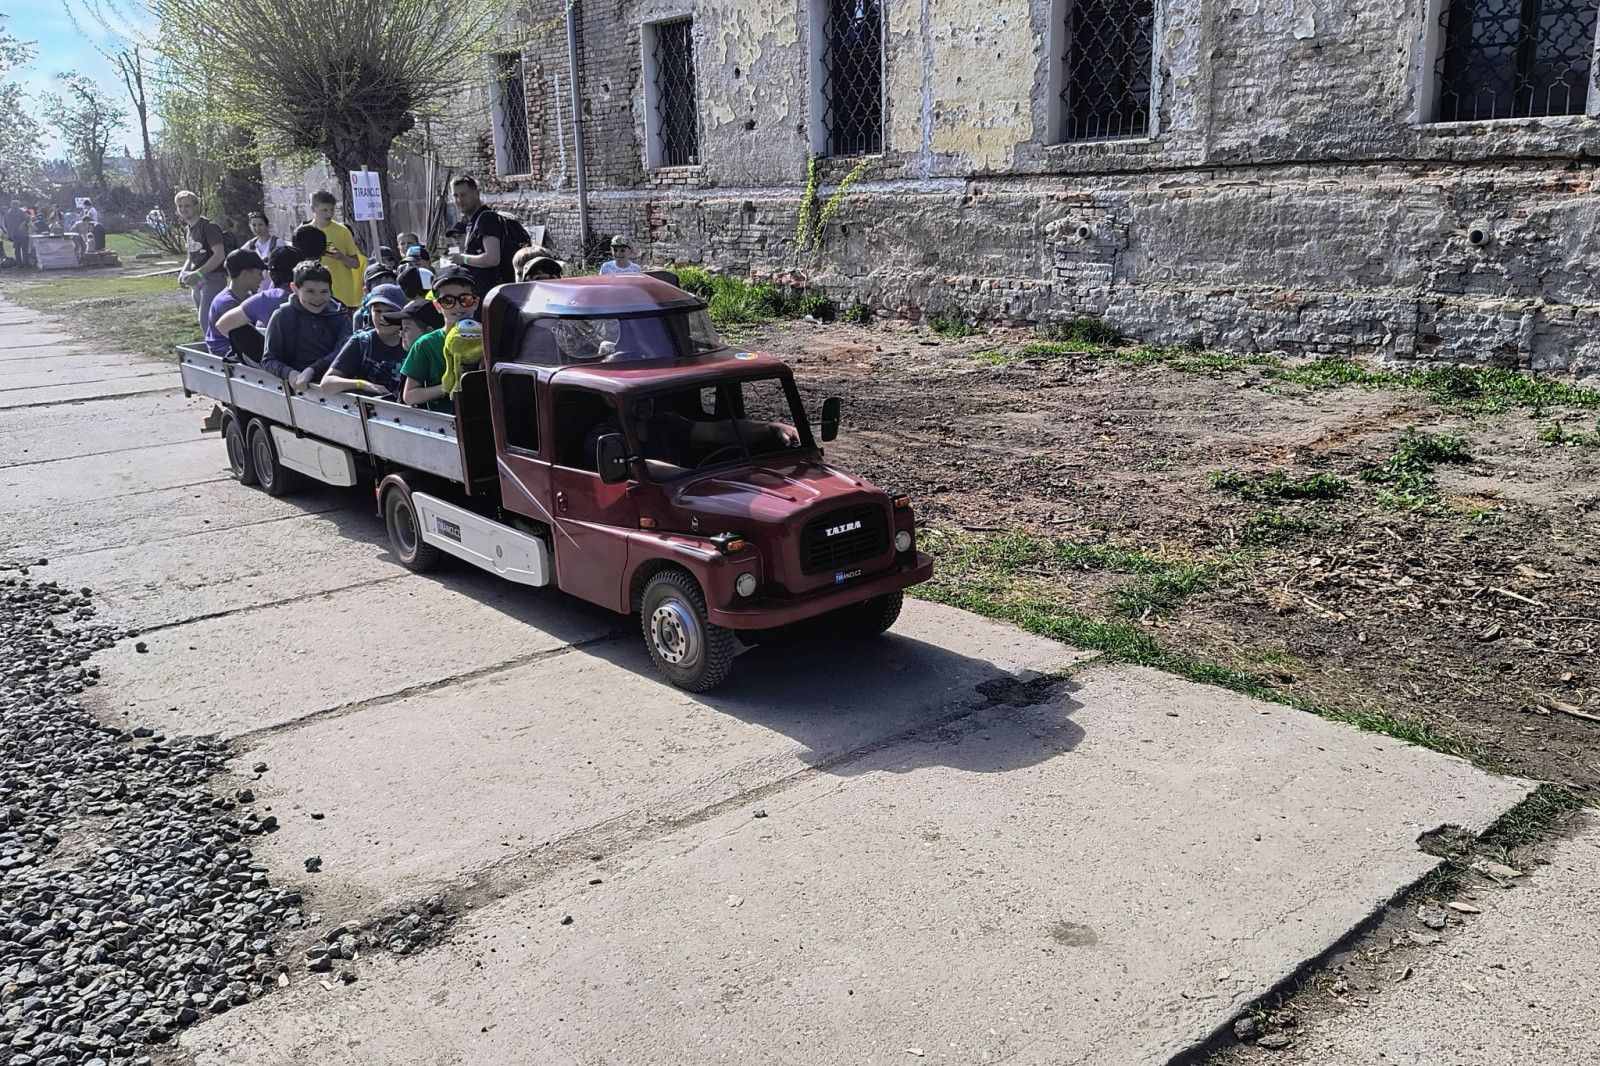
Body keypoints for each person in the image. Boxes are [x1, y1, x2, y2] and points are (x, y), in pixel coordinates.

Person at [261, 261, 352, 388]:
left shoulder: (339, 315)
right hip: (298, 385)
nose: (318, 298)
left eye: (324, 292)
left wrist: (312, 370)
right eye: (310, 291)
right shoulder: (283, 316)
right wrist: (289, 373)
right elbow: (269, 360)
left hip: (334, 382)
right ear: (294, 289)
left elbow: (344, 351)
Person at [399, 266, 475, 411]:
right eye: (448, 301)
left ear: (475, 302)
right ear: (437, 306)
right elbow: (409, 396)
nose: (457, 306)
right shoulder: (425, 344)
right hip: (446, 421)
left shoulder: (488, 337)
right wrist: (447, 387)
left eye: (465, 299)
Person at [213, 245, 301, 364]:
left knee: (238, 331)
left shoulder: (266, 298)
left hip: (274, 363)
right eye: (260, 273)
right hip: (307, 359)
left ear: (271, 274)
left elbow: (223, 325)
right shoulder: (318, 295)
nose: (263, 277)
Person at [321, 283, 409, 396]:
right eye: (378, 311)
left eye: (391, 312)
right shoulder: (362, 342)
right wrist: (361, 384)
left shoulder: (414, 343)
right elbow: (327, 384)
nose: (383, 318)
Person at [175, 190, 227, 327]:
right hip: (196, 281)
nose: (183, 209)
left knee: (208, 320)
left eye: (187, 206)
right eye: (180, 206)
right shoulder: (187, 229)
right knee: (204, 321)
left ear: (196, 207)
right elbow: (191, 256)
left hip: (213, 278)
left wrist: (198, 273)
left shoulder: (209, 227)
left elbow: (219, 255)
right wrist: (183, 274)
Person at [444, 175, 504, 294]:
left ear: (476, 194)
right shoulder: (474, 221)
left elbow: (492, 259)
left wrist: (463, 259)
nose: (459, 200)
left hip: (491, 294)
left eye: (463, 195)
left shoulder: (486, 219)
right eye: (455, 196)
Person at [204, 249, 267, 356]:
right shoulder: (226, 303)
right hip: (226, 352)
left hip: (241, 350)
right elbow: (245, 338)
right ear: (245, 273)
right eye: (260, 273)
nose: (262, 278)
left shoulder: (248, 298)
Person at [307, 190, 363, 308]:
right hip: (315, 298)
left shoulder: (342, 231)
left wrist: (342, 257)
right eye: (324, 210)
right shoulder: (305, 232)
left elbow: (356, 263)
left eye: (332, 209)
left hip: (343, 297)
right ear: (312, 209)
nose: (329, 214)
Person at [352, 261, 399, 331]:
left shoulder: (403, 309)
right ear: (366, 290)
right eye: (378, 285)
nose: (384, 288)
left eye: (389, 283)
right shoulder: (360, 316)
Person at [242, 211, 283, 288]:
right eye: (254, 225)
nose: (257, 228)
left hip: (272, 286)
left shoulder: (277, 243)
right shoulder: (251, 245)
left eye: (260, 225)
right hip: (256, 288)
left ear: (267, 226)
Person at [3, 200, 29, 266]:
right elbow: (28, 218)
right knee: (24, 249)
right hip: (22, 233)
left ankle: (19, 263)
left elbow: (5, 224)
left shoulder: (7, 213)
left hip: (13, 232)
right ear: (18, 205)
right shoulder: (21, 211)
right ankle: (25, 263)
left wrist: (9, 231)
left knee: (17, 249)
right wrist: (23, 224)